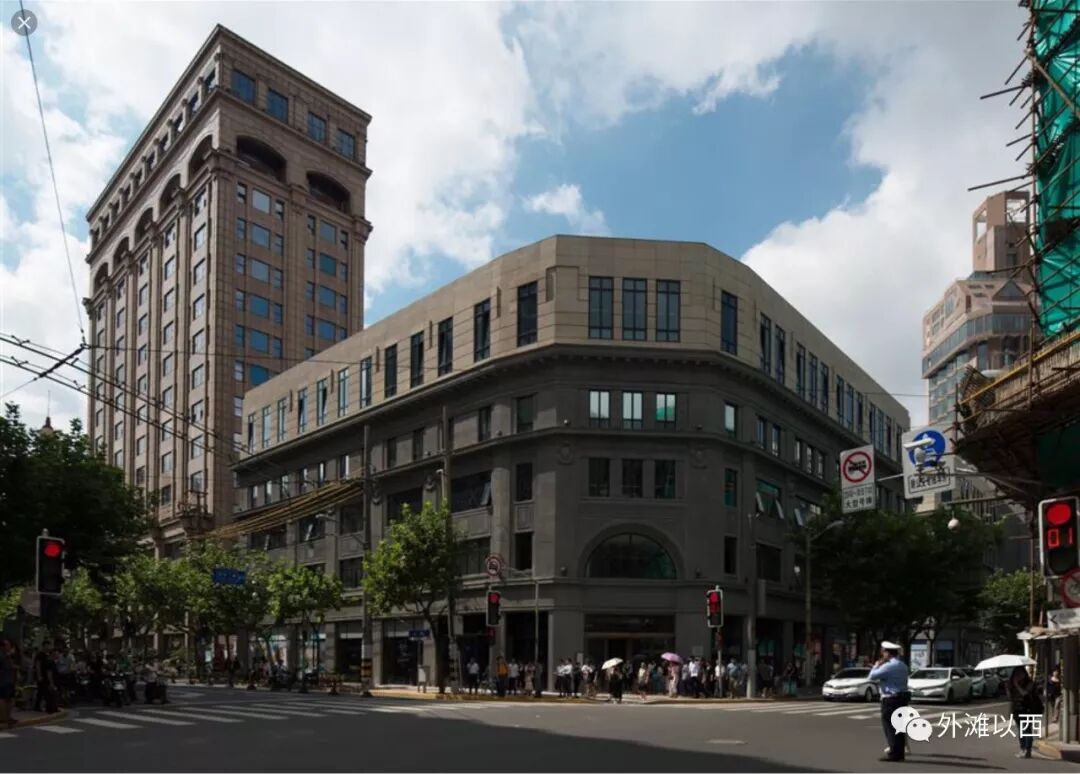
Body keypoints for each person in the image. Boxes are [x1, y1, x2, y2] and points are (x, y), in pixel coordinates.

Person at [869, 641, 910, 763]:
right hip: (902, 698)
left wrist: (876, 665)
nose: (882, 654)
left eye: (884, 652)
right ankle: (900, 753)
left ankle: (894, 753)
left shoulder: (888, 666)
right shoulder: (903, 665)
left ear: (888, 653)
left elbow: (872, 676)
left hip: (891, 699)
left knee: (890, 727)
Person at [1007, 665, 1042, 759]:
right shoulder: (1012, 684)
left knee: (1027, 730)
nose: (1018, 676)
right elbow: (1010, 698)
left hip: (1027, 709)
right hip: (1017, 710)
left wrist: (1017, 685)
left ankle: (1028, 750)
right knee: (1020, 730)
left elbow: (1025, 694)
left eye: (1020, 673)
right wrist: (1009, 688)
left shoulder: (1029, 683)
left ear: (1024, 674)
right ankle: (1022, 749)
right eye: (1016, 674)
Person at [0, 637, 17, 729]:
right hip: (3, 681)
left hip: (10, 680)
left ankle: (8, 716)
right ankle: (3, 718)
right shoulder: (2, 655)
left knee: (11, 699)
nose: (9, 647)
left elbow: (11, 666)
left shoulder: (8, 656)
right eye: (7, 645)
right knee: (3, 699)